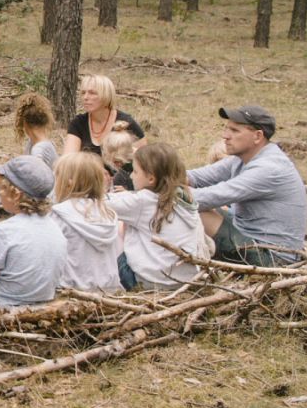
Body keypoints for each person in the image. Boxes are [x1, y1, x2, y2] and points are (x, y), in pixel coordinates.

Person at [187, 105, 307, 266]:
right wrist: (157, 172)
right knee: (191, 205)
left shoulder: (268, 168)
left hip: (272, 258)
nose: (225, 136)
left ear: (258, 136)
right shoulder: (242, 158)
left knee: (195, 211)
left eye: (234, 131)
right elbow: (194, 177)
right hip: (248, 237)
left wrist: (158, 190)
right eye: (226, 128)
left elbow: (205, 198)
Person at [0, 155, 66, 308]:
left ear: (16, 194)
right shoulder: (56, 228)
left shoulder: (4, 230)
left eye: (1, 188)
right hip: (42, 304)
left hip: (4, 306)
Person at [108, 143, 208, 290]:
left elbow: (98, 203)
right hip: (186, 282)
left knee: (116, 242)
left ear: (151, 179)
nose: (130, 176)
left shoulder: (143, 201)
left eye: (135, 172)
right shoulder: (184, 198)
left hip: (151, 283)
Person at [50, 153, 120, 294]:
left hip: (72, 291)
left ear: (69, 182)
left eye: (57, 177)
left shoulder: (59, 214)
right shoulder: (108, 213)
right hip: (108, 290)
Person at [0, 93, 58, 218]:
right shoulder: (33, 143)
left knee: (6, 176)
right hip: (38, 192)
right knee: (6, 172)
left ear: (25, 123)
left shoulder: (40, 148)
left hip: (44, 196)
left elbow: (33, 178)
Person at [64, 74, 146, 156]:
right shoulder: (78, 123)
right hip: (85, 169)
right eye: (83, 93)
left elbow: (143, 160)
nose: (85, 97)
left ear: (106, 95)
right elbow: (68, 160)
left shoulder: (126, 123)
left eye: (92, 93)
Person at [101, 121, 137, 191]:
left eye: (119, 161)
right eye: (114, 162)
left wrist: (128, 192)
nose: (118, 164)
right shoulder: (118, 169)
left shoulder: (140, 164)